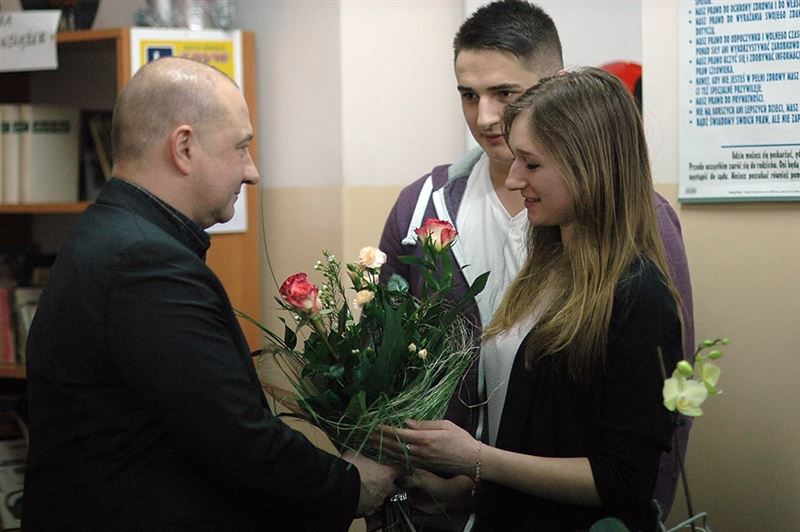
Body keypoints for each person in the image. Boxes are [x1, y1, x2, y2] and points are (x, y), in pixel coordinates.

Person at [22, 57, 397, 531]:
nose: (251, 171)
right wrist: (350, 486)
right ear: (183, 147)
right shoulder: (146, 262)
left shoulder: (112, 233)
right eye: (241, 148)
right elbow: (235, 438)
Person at [377, 0, 694, 525]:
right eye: (468, 95)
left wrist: (477, 461)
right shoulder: (532, 251)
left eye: (504, 93)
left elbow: (639, 452)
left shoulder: (638, 270)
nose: (486, 117)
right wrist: (460, 488)